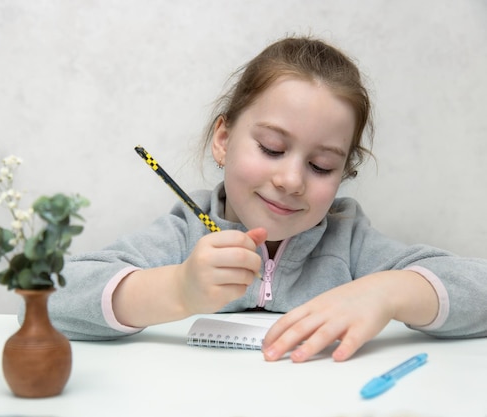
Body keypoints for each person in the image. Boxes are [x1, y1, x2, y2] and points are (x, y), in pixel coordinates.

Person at [44, 36, 487, 362]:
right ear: (223, 139)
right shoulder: (185, 232)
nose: (292, 180)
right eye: (273, 149)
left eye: (321, 166)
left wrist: (390, 291)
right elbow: (53, 297)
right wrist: (178, 289)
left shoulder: (350, 243)